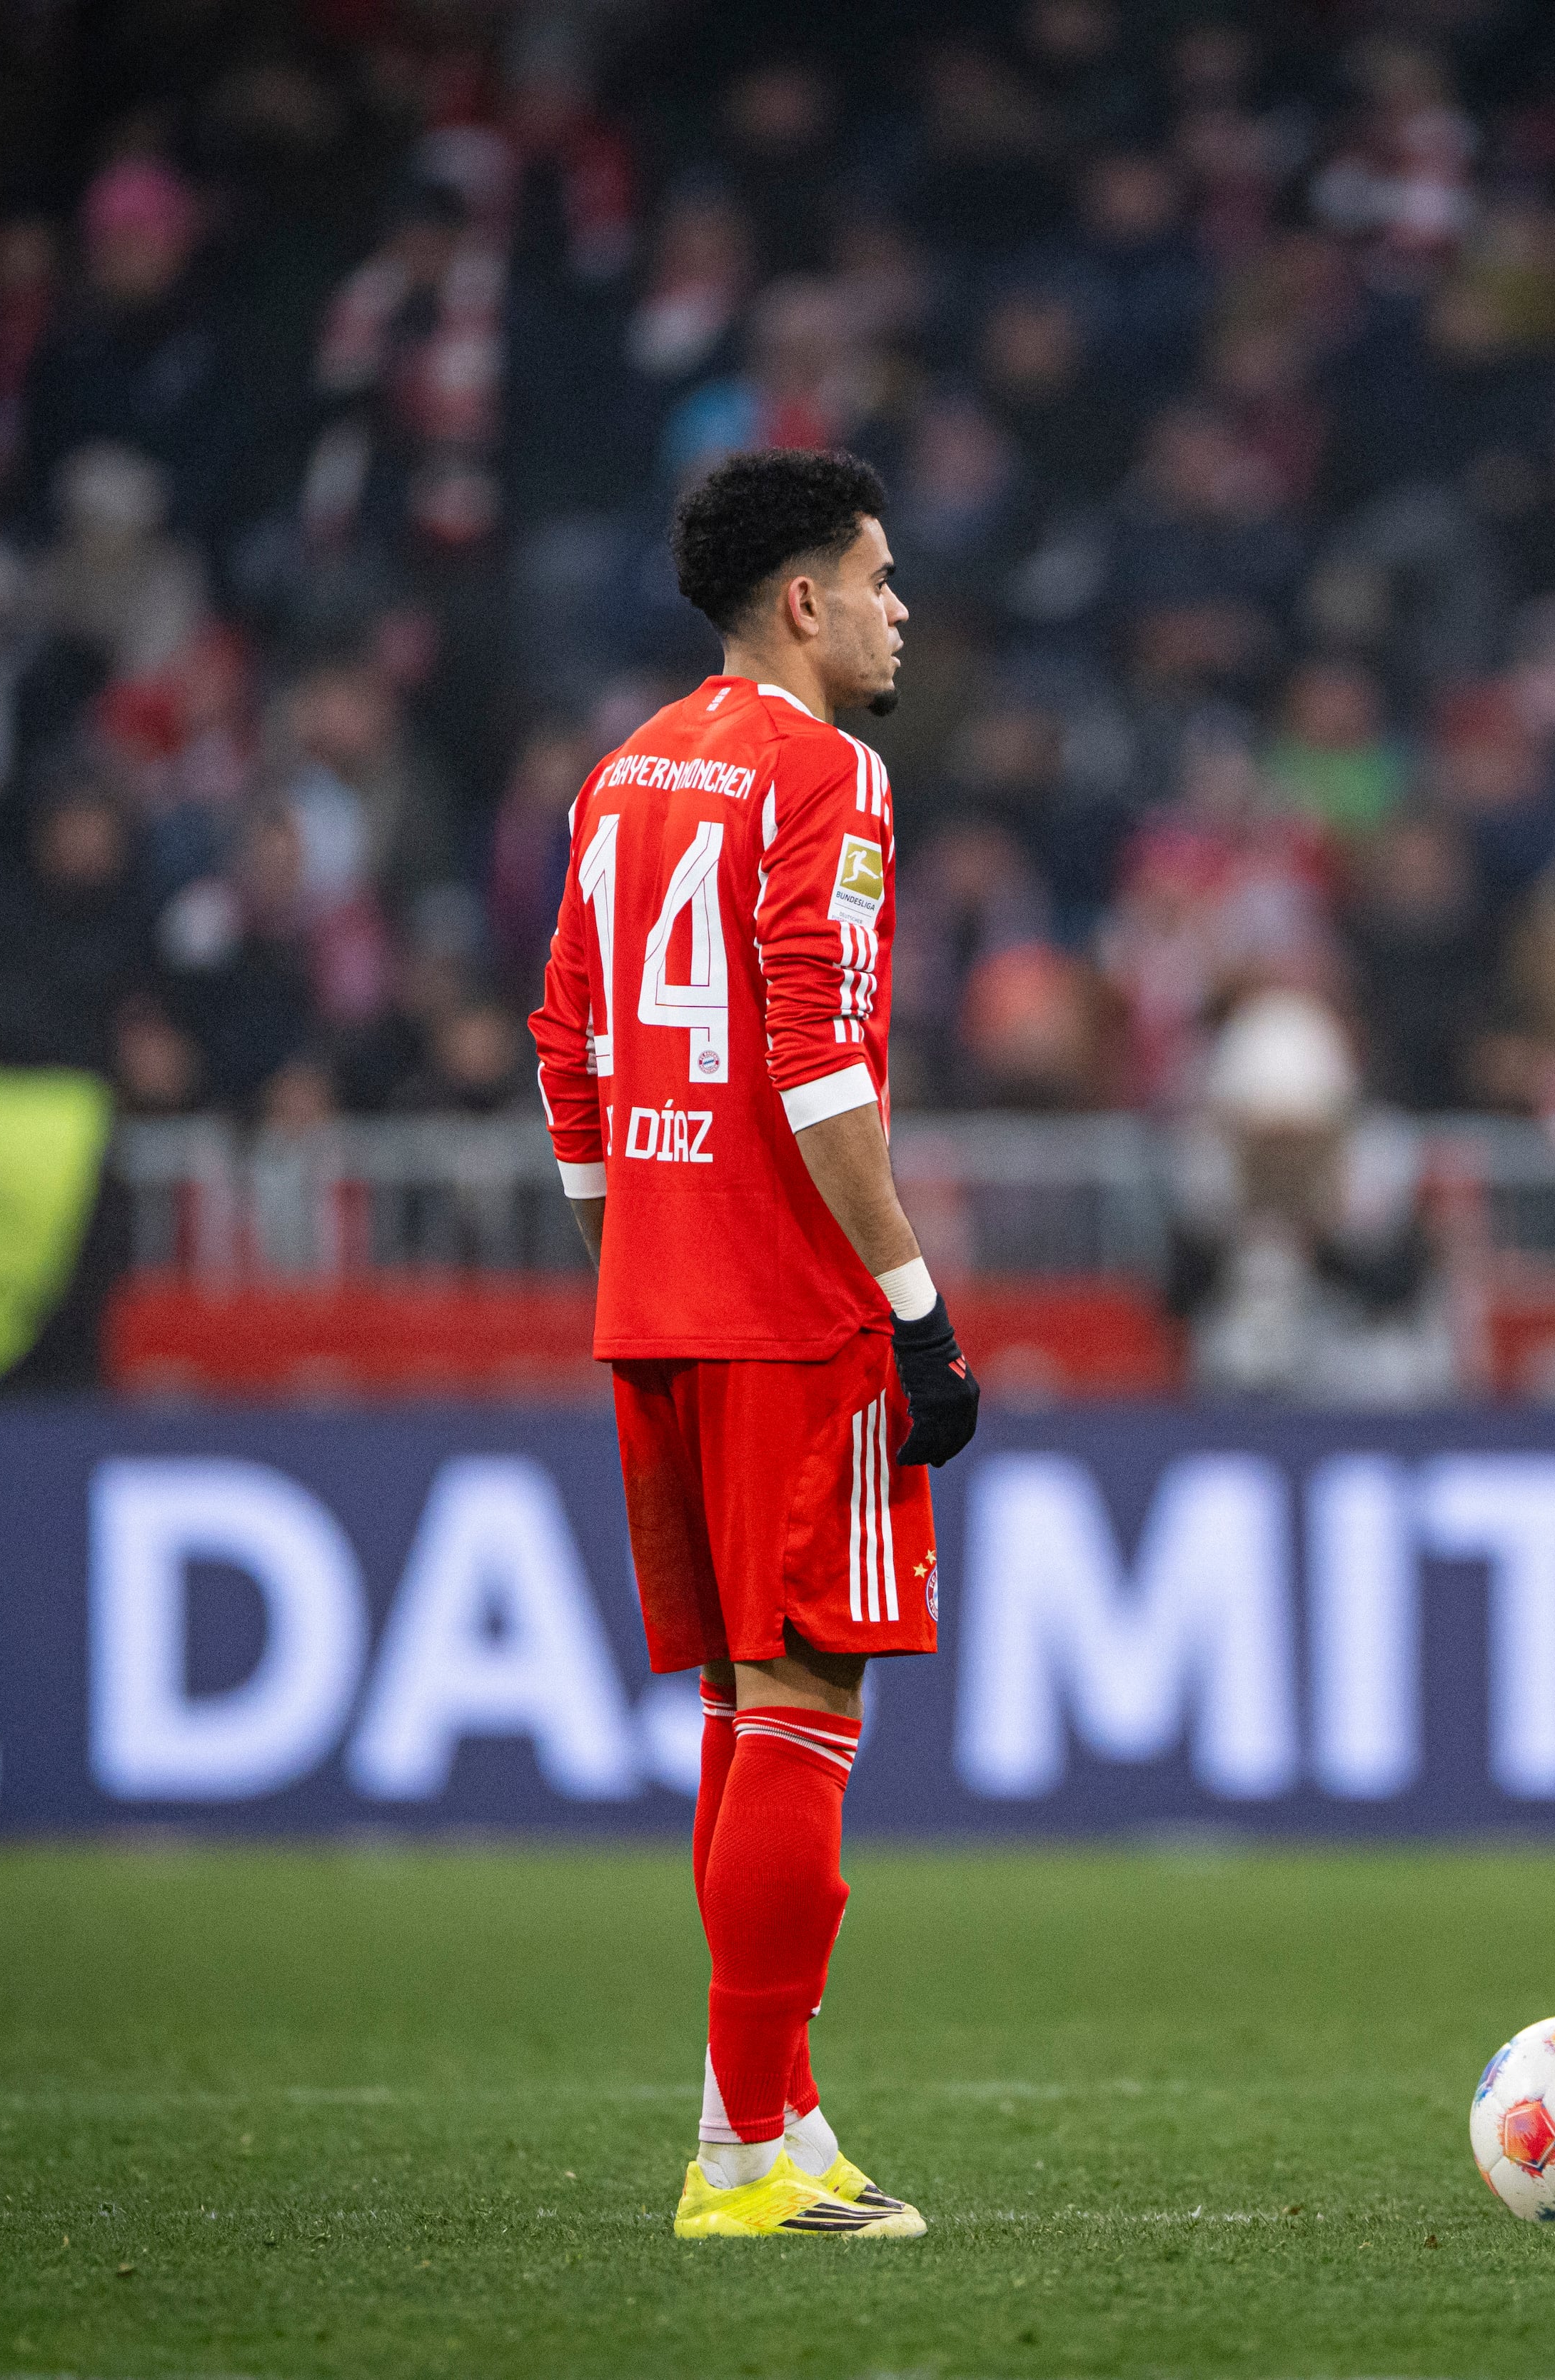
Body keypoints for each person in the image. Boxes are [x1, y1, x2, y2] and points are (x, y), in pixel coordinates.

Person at [528, 449, 975, 2242]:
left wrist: (636, 1245)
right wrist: (918, 1303)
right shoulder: (830, 774)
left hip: (654, 1298)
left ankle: (764, 2126)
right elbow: (820, 1065)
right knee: (805, 1710)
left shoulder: (620, 772)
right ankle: (743, 2158)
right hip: (796, 1316)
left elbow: (567, 1054)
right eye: (879, 577)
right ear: (802, 598)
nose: (898, 609)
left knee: (740, 1707)